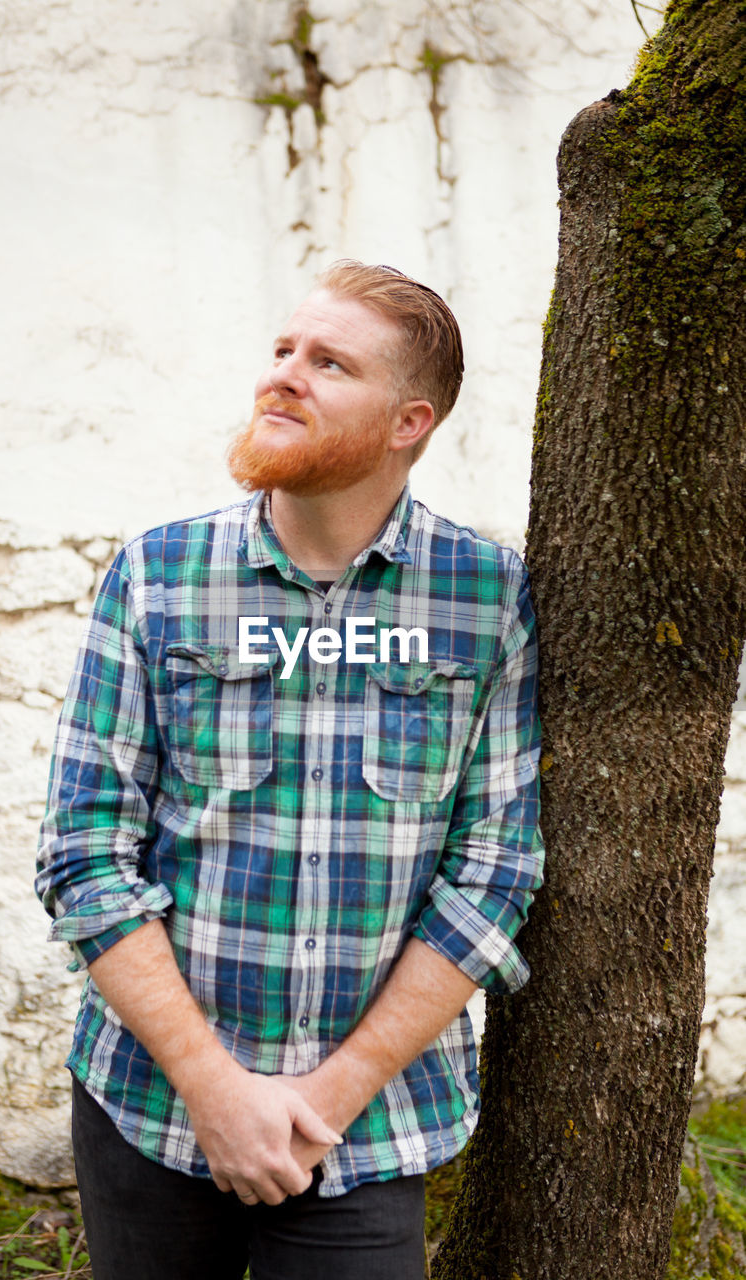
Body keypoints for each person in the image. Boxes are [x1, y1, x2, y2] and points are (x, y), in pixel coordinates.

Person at [35, 260, 544, 1280]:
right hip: (151, 1107)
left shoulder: (485, 598)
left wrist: (325, 1098)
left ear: (408, 421)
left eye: (327, 361)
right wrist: (214, 1089)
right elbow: (83, 847)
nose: (284, 375)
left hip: (366, 1131)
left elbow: (494, 867)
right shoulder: (158, 575)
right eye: (281, 351)